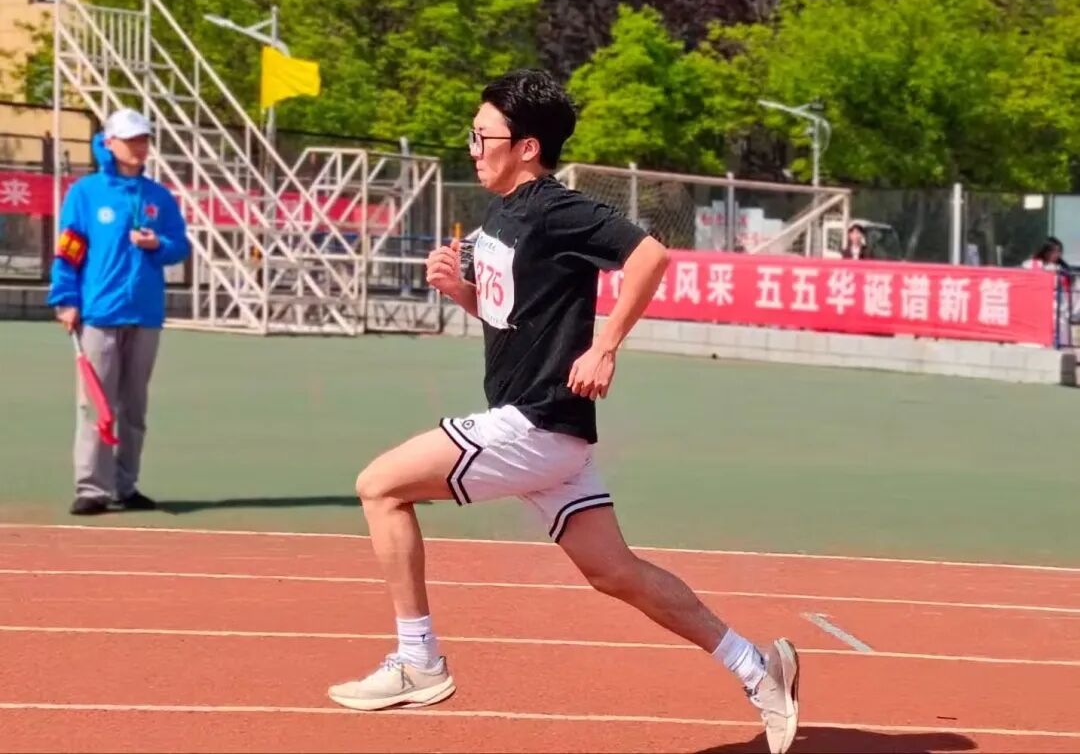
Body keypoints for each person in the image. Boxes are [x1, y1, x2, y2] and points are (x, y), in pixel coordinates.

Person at [327, 70, 800, 754]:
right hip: (546, 435)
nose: (472, 148)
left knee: (380, 486)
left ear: (526, 147)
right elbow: (512, 319)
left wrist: (605, 346)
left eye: (483, 136)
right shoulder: (502, 215)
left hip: (536, 422)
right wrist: (461, 292)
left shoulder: (556, 209)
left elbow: (650, 256)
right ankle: (758, 668)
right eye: (472, 135)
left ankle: (418, 658)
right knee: (615, 573)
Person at [47, 107, 190, 516]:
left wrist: (157, 244)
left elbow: (179, 245)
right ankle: (92, 487)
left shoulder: (158, 196)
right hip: (99, 313)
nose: (138, 147)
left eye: (143, 139)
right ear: (109, 143)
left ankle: (126, 485)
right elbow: (69, 250)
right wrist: (66, 299)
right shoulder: (86, 193)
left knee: (134, 407)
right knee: (97, 403)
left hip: (144, 314)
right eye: (130, 140)